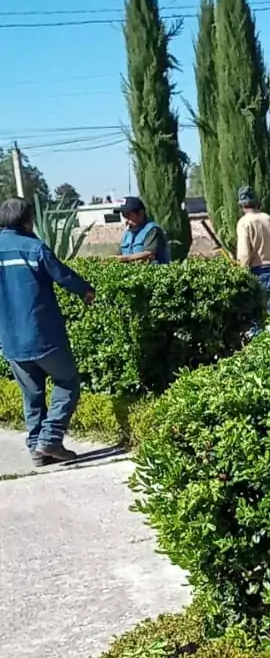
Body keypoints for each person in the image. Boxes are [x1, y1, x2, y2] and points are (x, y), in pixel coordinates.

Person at [0, 197, 95, 465]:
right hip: (43, 336)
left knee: (32, 394)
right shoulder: (34, 248)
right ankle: (50, 439)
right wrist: (87, 291)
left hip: (10, 340)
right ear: (28, 221)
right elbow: (63, 275)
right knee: (67, 382)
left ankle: (36, 450)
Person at [235, 185, 270, 314]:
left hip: (258, 272)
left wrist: (240, 273)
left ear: (241, 205)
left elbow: (244, 254)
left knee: (259, 315)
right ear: (256, 203)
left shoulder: (244, 223)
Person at [117, 196, 171, 264]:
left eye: (128, 215)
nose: (126, 221)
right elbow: (119, 255)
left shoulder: (152, 230)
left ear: (141, 213)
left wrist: (126, 259)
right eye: (124, 216)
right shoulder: (127, 234)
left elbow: (149, 255)